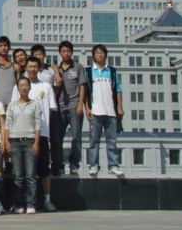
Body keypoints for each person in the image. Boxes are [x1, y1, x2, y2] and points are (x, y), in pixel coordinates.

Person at [11, 57, 57, 212]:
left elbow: (50, 110)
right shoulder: (17, 86)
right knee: (22, 172)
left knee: (43, 170)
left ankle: (47, 201)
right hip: (21, 135)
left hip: (41, 134)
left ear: (39, 68)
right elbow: (14, 109)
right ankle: (21, 203)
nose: (32, 69)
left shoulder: (46, 86)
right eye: (29, 66)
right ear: (26, 68)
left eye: (35, 66)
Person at [84, 44, 125, 178]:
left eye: (102, 53)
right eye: (97, 53)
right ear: (93, 55)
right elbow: (85, 92)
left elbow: (118, 89)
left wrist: (119, 106)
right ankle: (93, 165)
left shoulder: (112, 71)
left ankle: (113, 165)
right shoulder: (88, 71)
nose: (100, 55)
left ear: (106, 55)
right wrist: (87, 108)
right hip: (95, 111)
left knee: (112, 140)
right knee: (94, 141)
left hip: (111, 111)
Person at [4, 77, 41, 214]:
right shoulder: (12, 105)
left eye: (26, 85)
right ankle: (18, 204)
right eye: (21, 85)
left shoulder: (35, 104)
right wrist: (6, 141)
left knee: (30, 175)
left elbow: (38, 124)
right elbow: (7, 124)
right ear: (18, 88)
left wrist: (37, 142)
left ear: (30, 87)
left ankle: (31, 203)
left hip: (30, 140)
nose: (24, 88)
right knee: (18, 176)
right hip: (15, 141)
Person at [31, 44, 63, 176]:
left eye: (40, 54)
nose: (38, 57)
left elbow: (58, 83)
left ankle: (56, 166)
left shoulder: (50, 71)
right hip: (33, 111)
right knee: (37, 139)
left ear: (44, 56)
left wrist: (56, 70)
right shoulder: (29, 72)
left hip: (50, 108)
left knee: (55, 139)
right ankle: (36, 167)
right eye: (36, 55)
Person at [55, 40, 86, 175]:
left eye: (68, 51)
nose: (66, 53)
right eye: (63, 51)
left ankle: (74, 164)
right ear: (60, 53)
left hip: (74, 106)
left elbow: (82, 86)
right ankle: (59, 164)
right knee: (58, 139)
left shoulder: (78, 67)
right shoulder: (56, 69)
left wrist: (80, 104)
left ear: (72, 52)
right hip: (60, 107)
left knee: (76, 137)